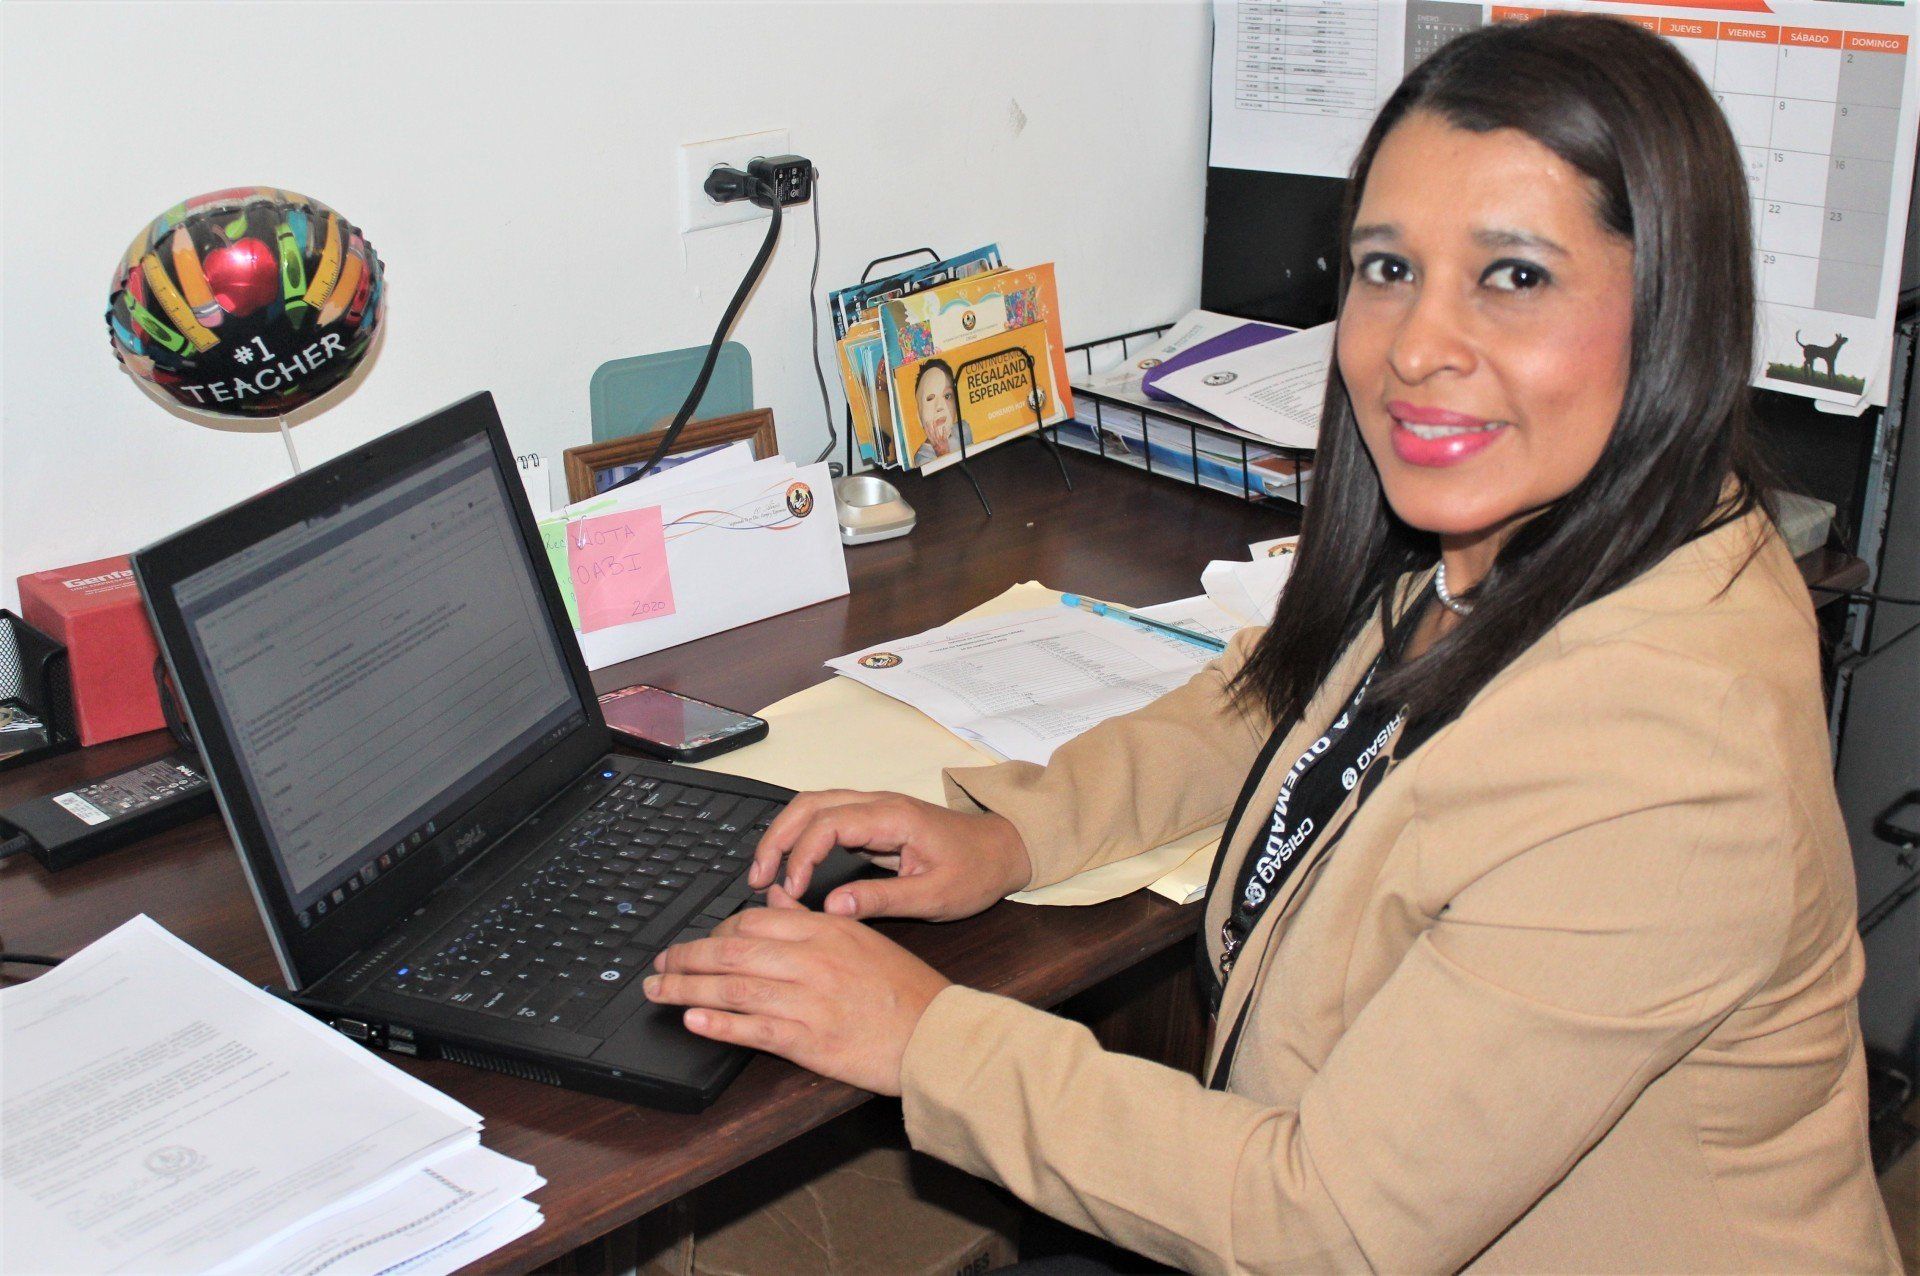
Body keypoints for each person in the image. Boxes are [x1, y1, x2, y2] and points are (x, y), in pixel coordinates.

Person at [644, 17, 1901, 1272]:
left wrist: (924, 1037)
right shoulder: (1533, 532)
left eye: (1515, 277)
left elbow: (1328, 1225)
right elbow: (1291, 701)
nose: (1417, 346)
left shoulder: (1665, 755)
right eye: (1388, 268)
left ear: (1671, 306)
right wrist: (1020, 830)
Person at [910, 358, 972, 465]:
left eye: (947, 396)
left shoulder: (963, 429)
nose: (939, 406)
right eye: (930, 398)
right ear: (919, 416)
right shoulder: (923, 457)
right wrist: (942, 454)